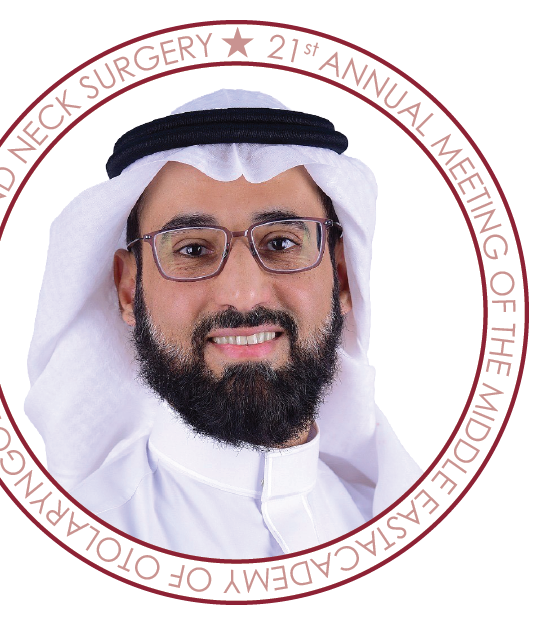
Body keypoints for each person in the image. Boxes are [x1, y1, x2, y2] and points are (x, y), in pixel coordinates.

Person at [25, 89, 421, 559]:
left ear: (341, 276)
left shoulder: (402, 534)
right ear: (130, 290)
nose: (244, 293)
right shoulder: (68, 558)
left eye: (281, 243)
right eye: (192, 249)